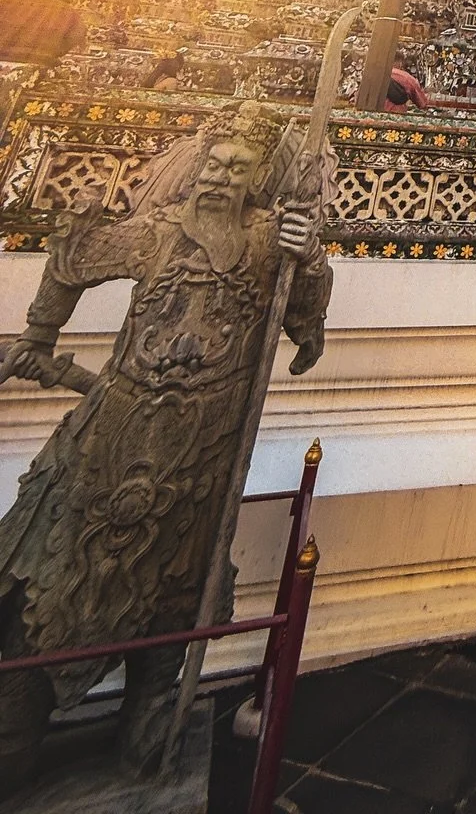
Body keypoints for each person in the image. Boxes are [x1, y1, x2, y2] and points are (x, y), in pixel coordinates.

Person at [0, 105, 331, 785]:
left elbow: (303, 328)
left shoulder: (270, 241)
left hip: (204, 455)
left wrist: (311, 257)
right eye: (213, 163)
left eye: (237, 168)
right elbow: (73, 256)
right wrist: (38, 336)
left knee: (175, 608)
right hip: (112, 439)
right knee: (44, 604)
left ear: (259, 178)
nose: (219, 176)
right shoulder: (155, 232)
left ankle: (145, 745)